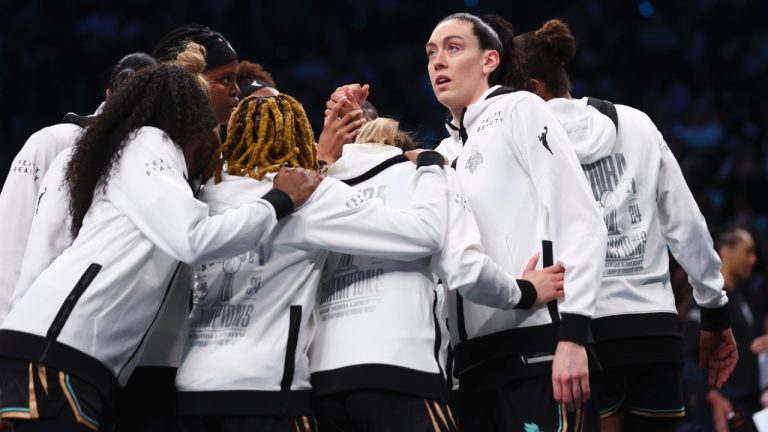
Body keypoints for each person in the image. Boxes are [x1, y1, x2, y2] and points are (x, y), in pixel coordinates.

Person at [0, 64, 319, 431]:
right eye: (209, 120)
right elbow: (193, 239)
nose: (217, 131)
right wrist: (278, 201)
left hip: (70, 357)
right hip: (56, 351)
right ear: (186, 118)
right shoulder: (148, 142)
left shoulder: (157, 171)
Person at [172, 93, 455, 431]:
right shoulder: (309, 197)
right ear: (300, 136)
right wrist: (431, 167)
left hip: (190, 390)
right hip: (267, 394)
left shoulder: (203, 195)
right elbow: (422, 234)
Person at [510, 17, 738, 432]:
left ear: (531, 90)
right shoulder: (638, 124)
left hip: (576, 335)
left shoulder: (523, 142)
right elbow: (686, 224)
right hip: (653, 330)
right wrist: (714, 311)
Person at [308, 115, 567, 432]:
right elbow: (464, 268)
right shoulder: (426, 175)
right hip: (402, 373)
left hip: (321, 384)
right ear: (403, 145)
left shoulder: (314, 190)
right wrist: (524, 291)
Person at [423, 12, 608, 432]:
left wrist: (574, 335)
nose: (437, 61)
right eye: (432, 53)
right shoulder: (441, 153)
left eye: (453, 48)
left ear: (490, 60)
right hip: (471, 372)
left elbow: (580, 218)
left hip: (540, 352)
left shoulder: (519, 109)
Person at [0, 52, 157, 322]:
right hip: (30, 325)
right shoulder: (55, 141)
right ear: (108, 95)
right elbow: (10, 242)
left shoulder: (149, 158)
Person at [683, 228, 758, 432]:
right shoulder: (709, 298)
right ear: (726, 251)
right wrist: (714, 399)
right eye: (747, 252)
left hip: (745, 405)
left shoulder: (740, 296)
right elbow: (687, 358)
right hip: (723, 411)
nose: (753, 260)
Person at [153, 24, 240, 126]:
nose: (237, 90)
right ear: (192, 83)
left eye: (235, 80)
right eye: (226, 79)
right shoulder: (154, 140)